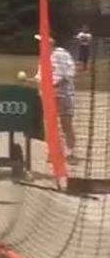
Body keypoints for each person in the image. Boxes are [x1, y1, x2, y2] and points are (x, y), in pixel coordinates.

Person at [34, 32, 78, 163]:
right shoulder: (44, 57)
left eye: (42, 42)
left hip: (64, 94)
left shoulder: (62, 55)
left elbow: (68, 74)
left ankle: (70, 153)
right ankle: (53, 152)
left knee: (66, 123)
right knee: (50, 125)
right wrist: (32, 80)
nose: (40, 45)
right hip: (48, 96)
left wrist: (53, 85)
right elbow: (40, 76)